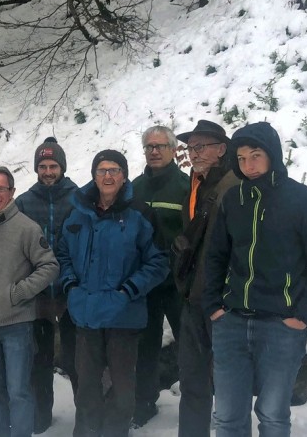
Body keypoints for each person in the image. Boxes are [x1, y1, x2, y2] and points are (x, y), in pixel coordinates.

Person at [202, 122, 307, 437]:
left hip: (281, 325)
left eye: (256, 155)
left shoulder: (303, 200)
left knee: (274, 416)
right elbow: (216, 257)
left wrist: (303, 315)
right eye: (242, 157)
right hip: (231, 322)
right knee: (227, 417)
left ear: (273, 155)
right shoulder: (233, 199)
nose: (248, 165)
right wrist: (213, 305)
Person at [57, 150, 169, 437]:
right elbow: (61, 253)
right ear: (94, 175)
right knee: (87, 386)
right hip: (85, 312)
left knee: (122, 387)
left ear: (124, 176)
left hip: (124, 314)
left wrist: (129, 289)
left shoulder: (140, 213)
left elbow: (159, 261)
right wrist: (70, 285)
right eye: (102, 170)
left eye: (114, 170)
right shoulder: (77, 211)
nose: (108, 175)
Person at [0, 166, 60, 437]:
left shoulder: (26, 228)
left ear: (12, 192)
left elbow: (49, 266)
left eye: (1, 189)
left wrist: (17, 294)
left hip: (17, 325)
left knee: (18, 391)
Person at [170, 120, 238, 436]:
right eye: (191, 147)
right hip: (194, 298)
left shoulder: (233, 186)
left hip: (221, 300)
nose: (193, 153)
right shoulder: (197, 182)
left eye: (201, 146)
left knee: (227, 382)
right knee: (193, 377)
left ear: (221, 149)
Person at [14, 137, 79, 434]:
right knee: (39, 361)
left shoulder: (78, 197)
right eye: (43, 166)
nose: (48, 171)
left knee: (77, 359)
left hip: (70, 292)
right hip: (37, 295)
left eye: (53, 165)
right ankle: (41, 417)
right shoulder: (25, 201)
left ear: (62, 167)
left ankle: (87, 418)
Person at [130, 125, 189, 426]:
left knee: (190, 346)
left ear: (173, 149)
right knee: (145, 346)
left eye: (160, 146)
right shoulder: (135, 188)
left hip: (178, 284)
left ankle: (197, 403)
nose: (154, 151)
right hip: (146, 285)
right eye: (149, 146)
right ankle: (144, 403)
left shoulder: (186, 187)